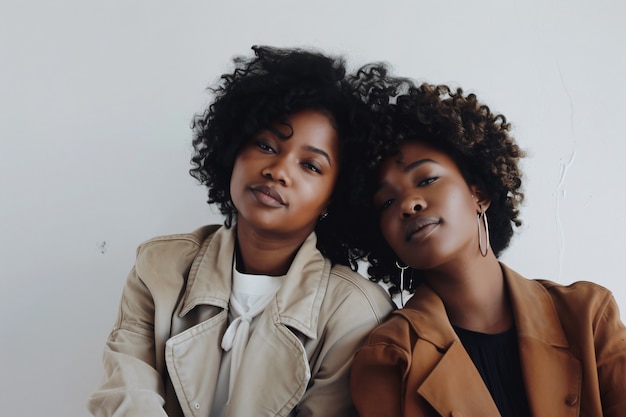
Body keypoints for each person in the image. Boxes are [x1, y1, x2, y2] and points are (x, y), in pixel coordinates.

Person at [87, 46, 394, 417]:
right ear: (234, 150)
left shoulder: (355, 311)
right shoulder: (159, 267)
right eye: (265, 145)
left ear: (336, 195)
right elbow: (125, 396)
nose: (278, 170)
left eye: (311, 166)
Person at [349, 80, 626, 416]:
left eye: (425, 180)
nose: (408, 204)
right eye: (387, 201)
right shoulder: (392, 356)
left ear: (478, 194)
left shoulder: (587, 314)